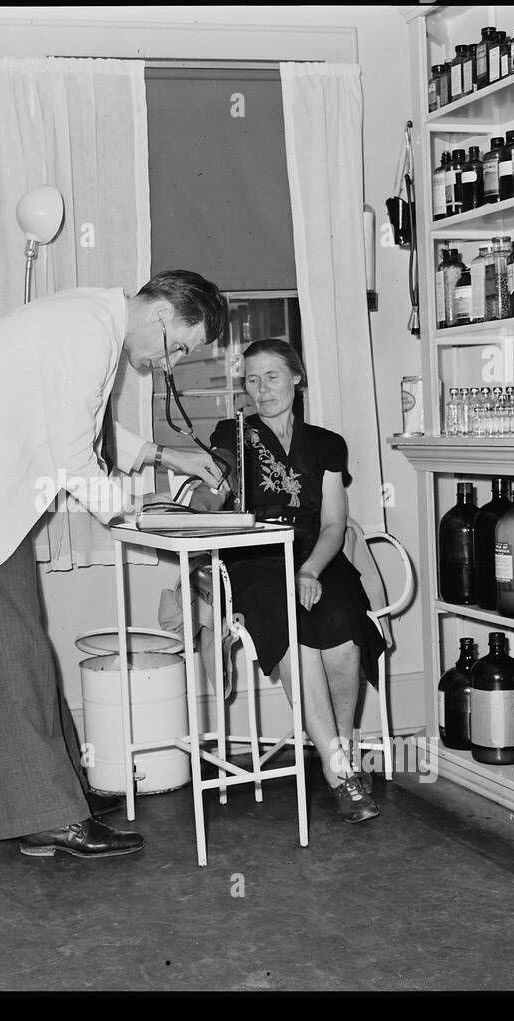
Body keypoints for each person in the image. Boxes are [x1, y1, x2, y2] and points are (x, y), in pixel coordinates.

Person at [0, 271, 228, 857]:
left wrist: (161, 455)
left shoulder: (95, 322)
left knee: (24, 637)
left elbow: (85, 425)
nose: (170, 360)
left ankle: (57, 796)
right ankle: (47, 814)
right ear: (161, 314)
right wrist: (135, 521)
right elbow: (76, 461)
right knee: (11, 643)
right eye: (178, 344)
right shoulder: (87, 330)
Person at [198, 339, 385, 823]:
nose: (261, 390)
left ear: (297, 378)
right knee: (297, 637)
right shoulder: (233, 433)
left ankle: (335, 748)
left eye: (272, 377)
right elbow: (211, 494)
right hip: (255, 558)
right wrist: (206, 493)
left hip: (315, 556)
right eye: (252, 380)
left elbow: (333, 524)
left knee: (344, 634)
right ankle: (341, 772)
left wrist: (310, 570)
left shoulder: (326, 443)